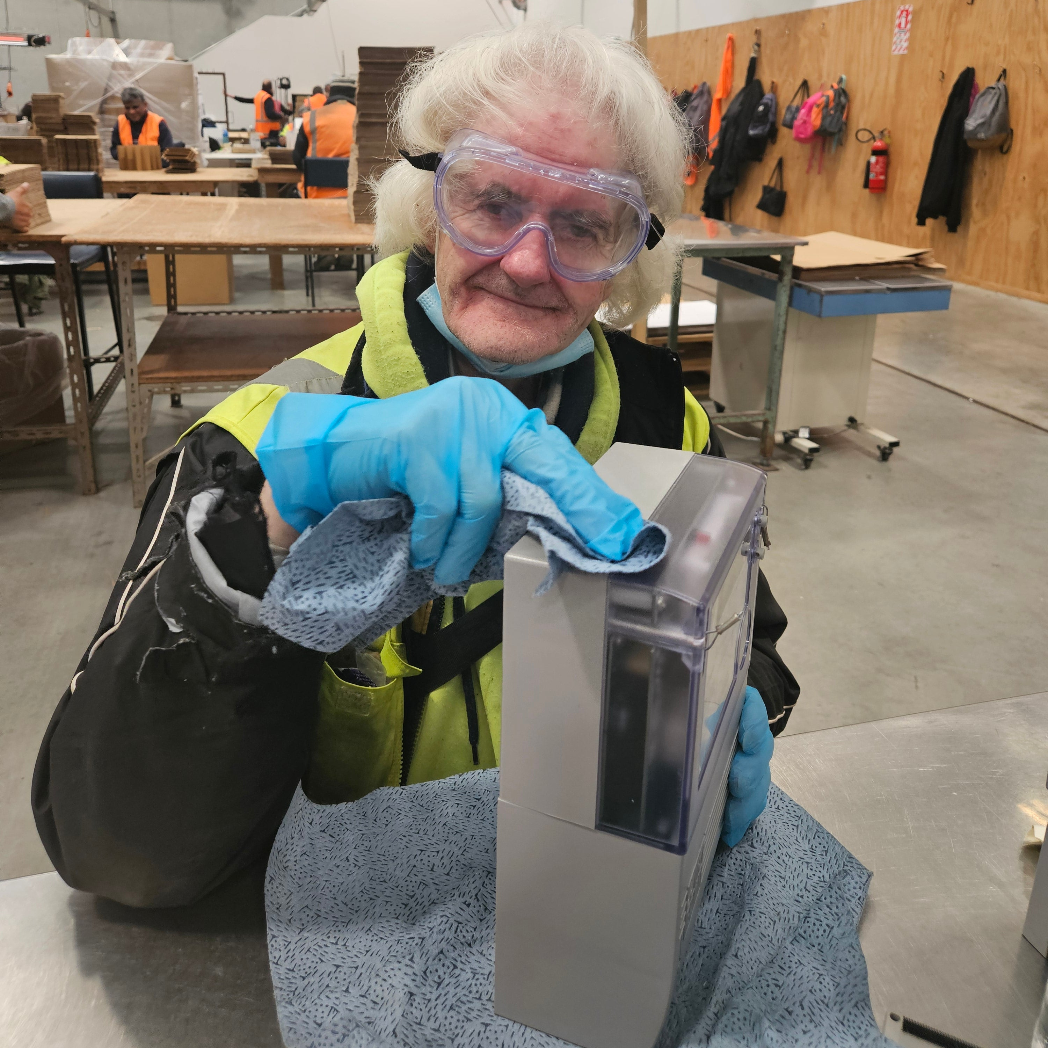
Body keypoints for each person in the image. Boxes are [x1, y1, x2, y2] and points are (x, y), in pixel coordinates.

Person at [33, 23, 799, 909]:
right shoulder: (257, 445)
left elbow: (757, 632)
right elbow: (117, 853)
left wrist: (738, 695)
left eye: (585, 224)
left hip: (588, 919)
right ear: (428, 199)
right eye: (493, 201)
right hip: (342, 940)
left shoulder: (671, 421)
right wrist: (267, 533)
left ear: (632, 251)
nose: (525, 261)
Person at [293, 77, 356, 199]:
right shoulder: (363, 121)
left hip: (314, 195)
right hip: (354, 197)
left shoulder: (311, 118)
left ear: (330, 93)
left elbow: (297, 157)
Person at [109, 86, 173, 160]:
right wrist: (128, 155)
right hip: (128, 169)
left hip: (154, 169)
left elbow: (168, 153)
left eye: (135, 107)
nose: (131, 111)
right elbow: (114, 150)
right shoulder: (120, 123)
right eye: (127, 108)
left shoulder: (158, 123)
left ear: (145, 105)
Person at [228, 79, 288, 145]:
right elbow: (270, 114)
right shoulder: (267, 98)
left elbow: (246, 100)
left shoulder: (258, 97)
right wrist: (280, 116)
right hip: (270, 132)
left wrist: (234, 97)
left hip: (260, 132)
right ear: (270, 88)